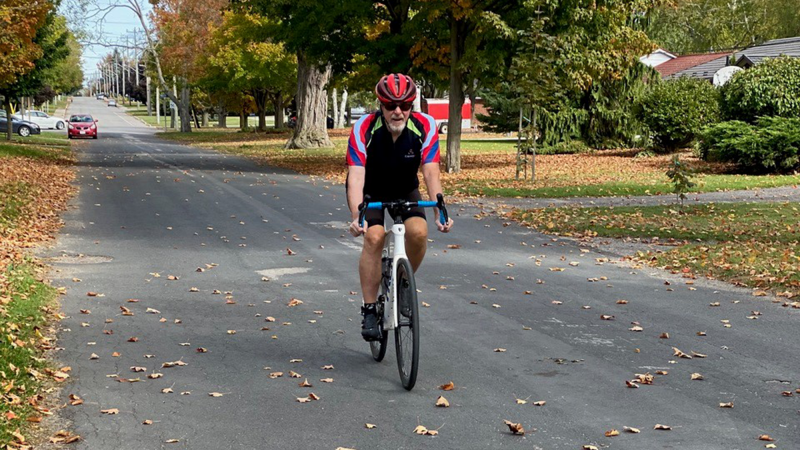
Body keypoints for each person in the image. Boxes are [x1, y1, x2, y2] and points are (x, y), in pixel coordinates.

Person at [346, 73, 454, 341]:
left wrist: (440, 209)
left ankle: (403, 283)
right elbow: (356, 175)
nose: (398, 112)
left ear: (411, 106)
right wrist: (355, 216)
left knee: (418, 232)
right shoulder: (364, 129)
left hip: (405, 188)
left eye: (404, 106)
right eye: (391, 105)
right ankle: (370, 309)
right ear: (380, 105)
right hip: (371, 190)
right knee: (374, 236)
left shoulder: (425, 126)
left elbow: (430, 172)